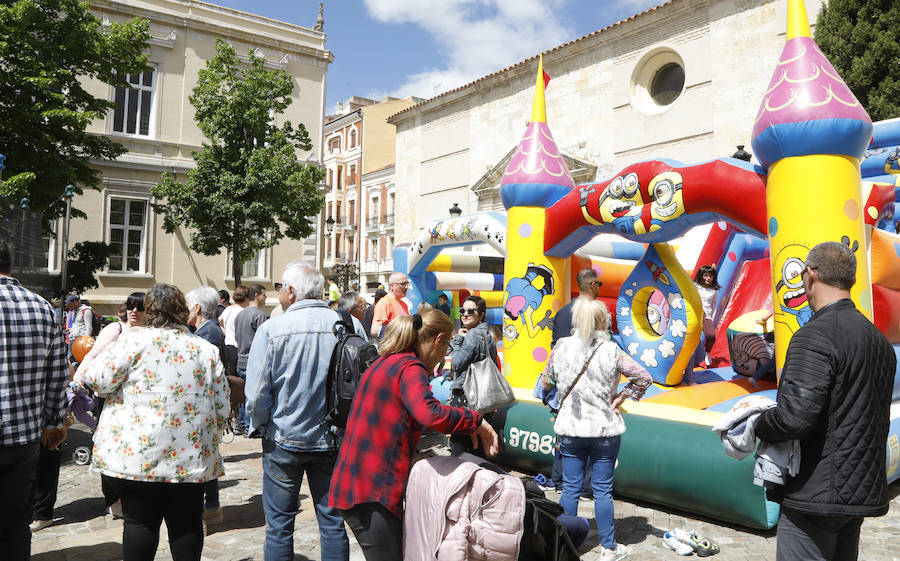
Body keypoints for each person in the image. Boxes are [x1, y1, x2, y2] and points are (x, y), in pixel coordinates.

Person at [755, 242, 895, 561]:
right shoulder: (878, 341)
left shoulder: (814, 336)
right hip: (857, 490)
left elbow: (794, 418)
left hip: (815, 493)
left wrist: (755, 423)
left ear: (809, 274)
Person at [329, 310, 499, 560]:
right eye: (446, 347)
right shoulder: (410, 366)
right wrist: (475, 421)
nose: (443, 357)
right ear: (438, 340)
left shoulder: (388, 361)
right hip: (371, 489)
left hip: (359, 483)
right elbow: (429, 413)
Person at [82, 284, 230, 561]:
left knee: (139, 523)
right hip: (189, 457)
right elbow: (222, 406)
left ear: (150, 310)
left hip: (137, 456)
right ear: (182, 311)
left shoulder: (131, 342)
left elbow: (97, 379)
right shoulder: (205, 349)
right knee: (187, 524)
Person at [244, 262, 353, 561]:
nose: (277, 292)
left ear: (291, 291)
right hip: (332, 438)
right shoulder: (347, 326)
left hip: (284, 437)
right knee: (333, 522)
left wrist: (263, 426)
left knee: (279, 526)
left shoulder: (273, 329)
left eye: (279, 287)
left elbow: (257, 394)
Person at [541, 298, 652, 561]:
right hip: (604, 429)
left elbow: (546, 381)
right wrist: (623, 396)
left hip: (570, 427)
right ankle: (609, 548)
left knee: (570, 488)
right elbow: (643, 377)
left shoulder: (561, 347)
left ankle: (565, 543)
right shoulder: (612, 350)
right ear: (603, 323)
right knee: (602, 490)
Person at [0, 243, 68, 560]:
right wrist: (54, 423)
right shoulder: (41, 307)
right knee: (16, 523)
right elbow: (58, 375)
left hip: (22, 436)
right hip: (23, 436)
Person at [71, 291, 146, 520]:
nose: (135, 311)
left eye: (140, 307)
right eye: (131, 307)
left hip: (137, 401)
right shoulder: (116, 329)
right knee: (108, 446)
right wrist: (78, 379)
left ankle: (132, 494)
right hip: (109, 398)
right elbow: (92, 355)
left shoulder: (150, 333)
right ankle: (113, 499)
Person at [185, 286, 228, 525]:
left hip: (206, 406)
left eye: (187, 305)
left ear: (197, 308)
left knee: (206, 456)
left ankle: (210, 507)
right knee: (209, 455)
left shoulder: (207, 333)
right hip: (208, 405)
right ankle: (212, 506)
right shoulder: (205, 330)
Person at [446, 295, 499, 455]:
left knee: (459, 447)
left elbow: (456, 363)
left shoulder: (471, 336)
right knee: (476, 447)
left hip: (464, 396)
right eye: (462, 310)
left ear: (481, 314)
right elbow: (494, 368)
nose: (465, 314)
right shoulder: (488, 337)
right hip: (481, 399)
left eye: (471, 311)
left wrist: (458, 340)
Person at [235, 284, 268, 434]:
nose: (265, 298)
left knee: (242, 394)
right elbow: (263, 341)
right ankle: (249, 426)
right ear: (256, 296)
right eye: (263, 295)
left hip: (240, 358)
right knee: (253, 394)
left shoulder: (240, 314)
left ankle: (240, 424)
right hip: (252, 360)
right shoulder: (259, 315)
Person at [551, 268, 602, 349]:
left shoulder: (561, 313)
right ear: (593, 285)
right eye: (599, 284)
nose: (599, 288)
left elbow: (555, 346)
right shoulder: (598, 312)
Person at [219, 285, 248, 376]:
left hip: (227, 345)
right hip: (237, 348)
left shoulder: (228, 309)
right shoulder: (242, 312)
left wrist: (226, 332)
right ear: (246, 298)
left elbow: (220, 320)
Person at [370, 272, 410, 338]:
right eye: (403, 284)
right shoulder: (384, 303)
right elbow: (375, 330)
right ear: (392, 286)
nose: (406, 287)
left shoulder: (404, 304)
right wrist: (397, 332)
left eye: (407, 284)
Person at [65, 293, 94, 363]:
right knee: (70, 361)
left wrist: (85, 342)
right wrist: (71, 331)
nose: (69, 307)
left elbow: (89, 328)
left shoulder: (86, 311)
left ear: (75, 302)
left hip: (81, 342)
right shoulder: (74, 311)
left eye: (70, 305)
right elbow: (77, 324)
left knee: (75, 361)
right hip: (72, 339)